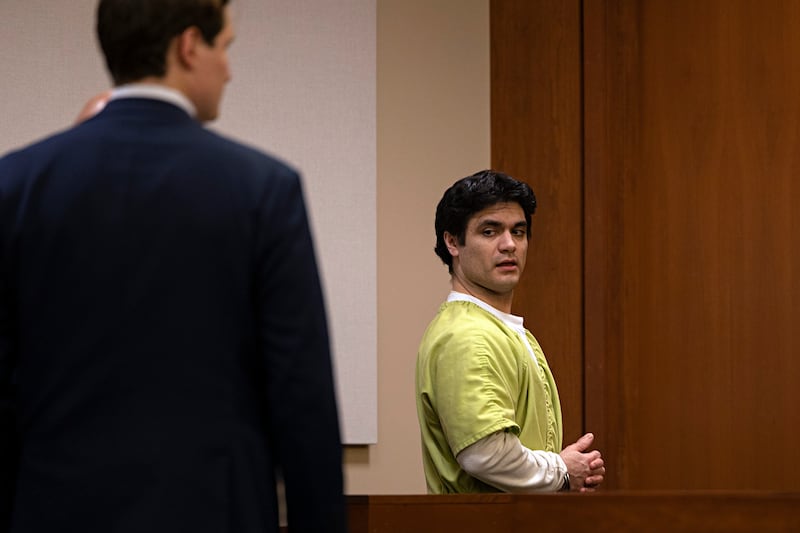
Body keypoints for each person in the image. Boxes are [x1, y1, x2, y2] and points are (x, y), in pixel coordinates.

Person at [0, 1, 346, 531]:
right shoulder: (263, 189)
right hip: (214, 511)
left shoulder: (15, 185)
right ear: (188, 46)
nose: (229, 69)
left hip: (55, 510)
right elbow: (303, 400)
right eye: (224, 47)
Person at [416, 170, 606, 494]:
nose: (509, 245)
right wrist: (562, 470)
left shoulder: (497, 329)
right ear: (452, 242)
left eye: (518, 232)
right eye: (490, 231)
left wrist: (562, 469)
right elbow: (485, 455)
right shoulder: (466, 336)